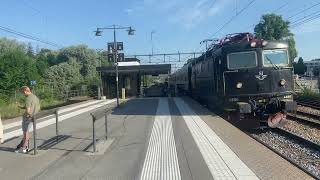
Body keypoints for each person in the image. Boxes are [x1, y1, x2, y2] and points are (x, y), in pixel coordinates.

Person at [15, 86, 40, 153]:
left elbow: (28, 110)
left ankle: (24, 148)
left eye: (23, 93)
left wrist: (29, 115)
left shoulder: (28, 98)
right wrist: (21, 106)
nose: (23, 94)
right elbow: (37, 108)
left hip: (27, 117)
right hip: (33, 117)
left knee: (25, 133)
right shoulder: (35, 97)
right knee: (27, 132)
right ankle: (25, 147)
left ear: (25, 91)